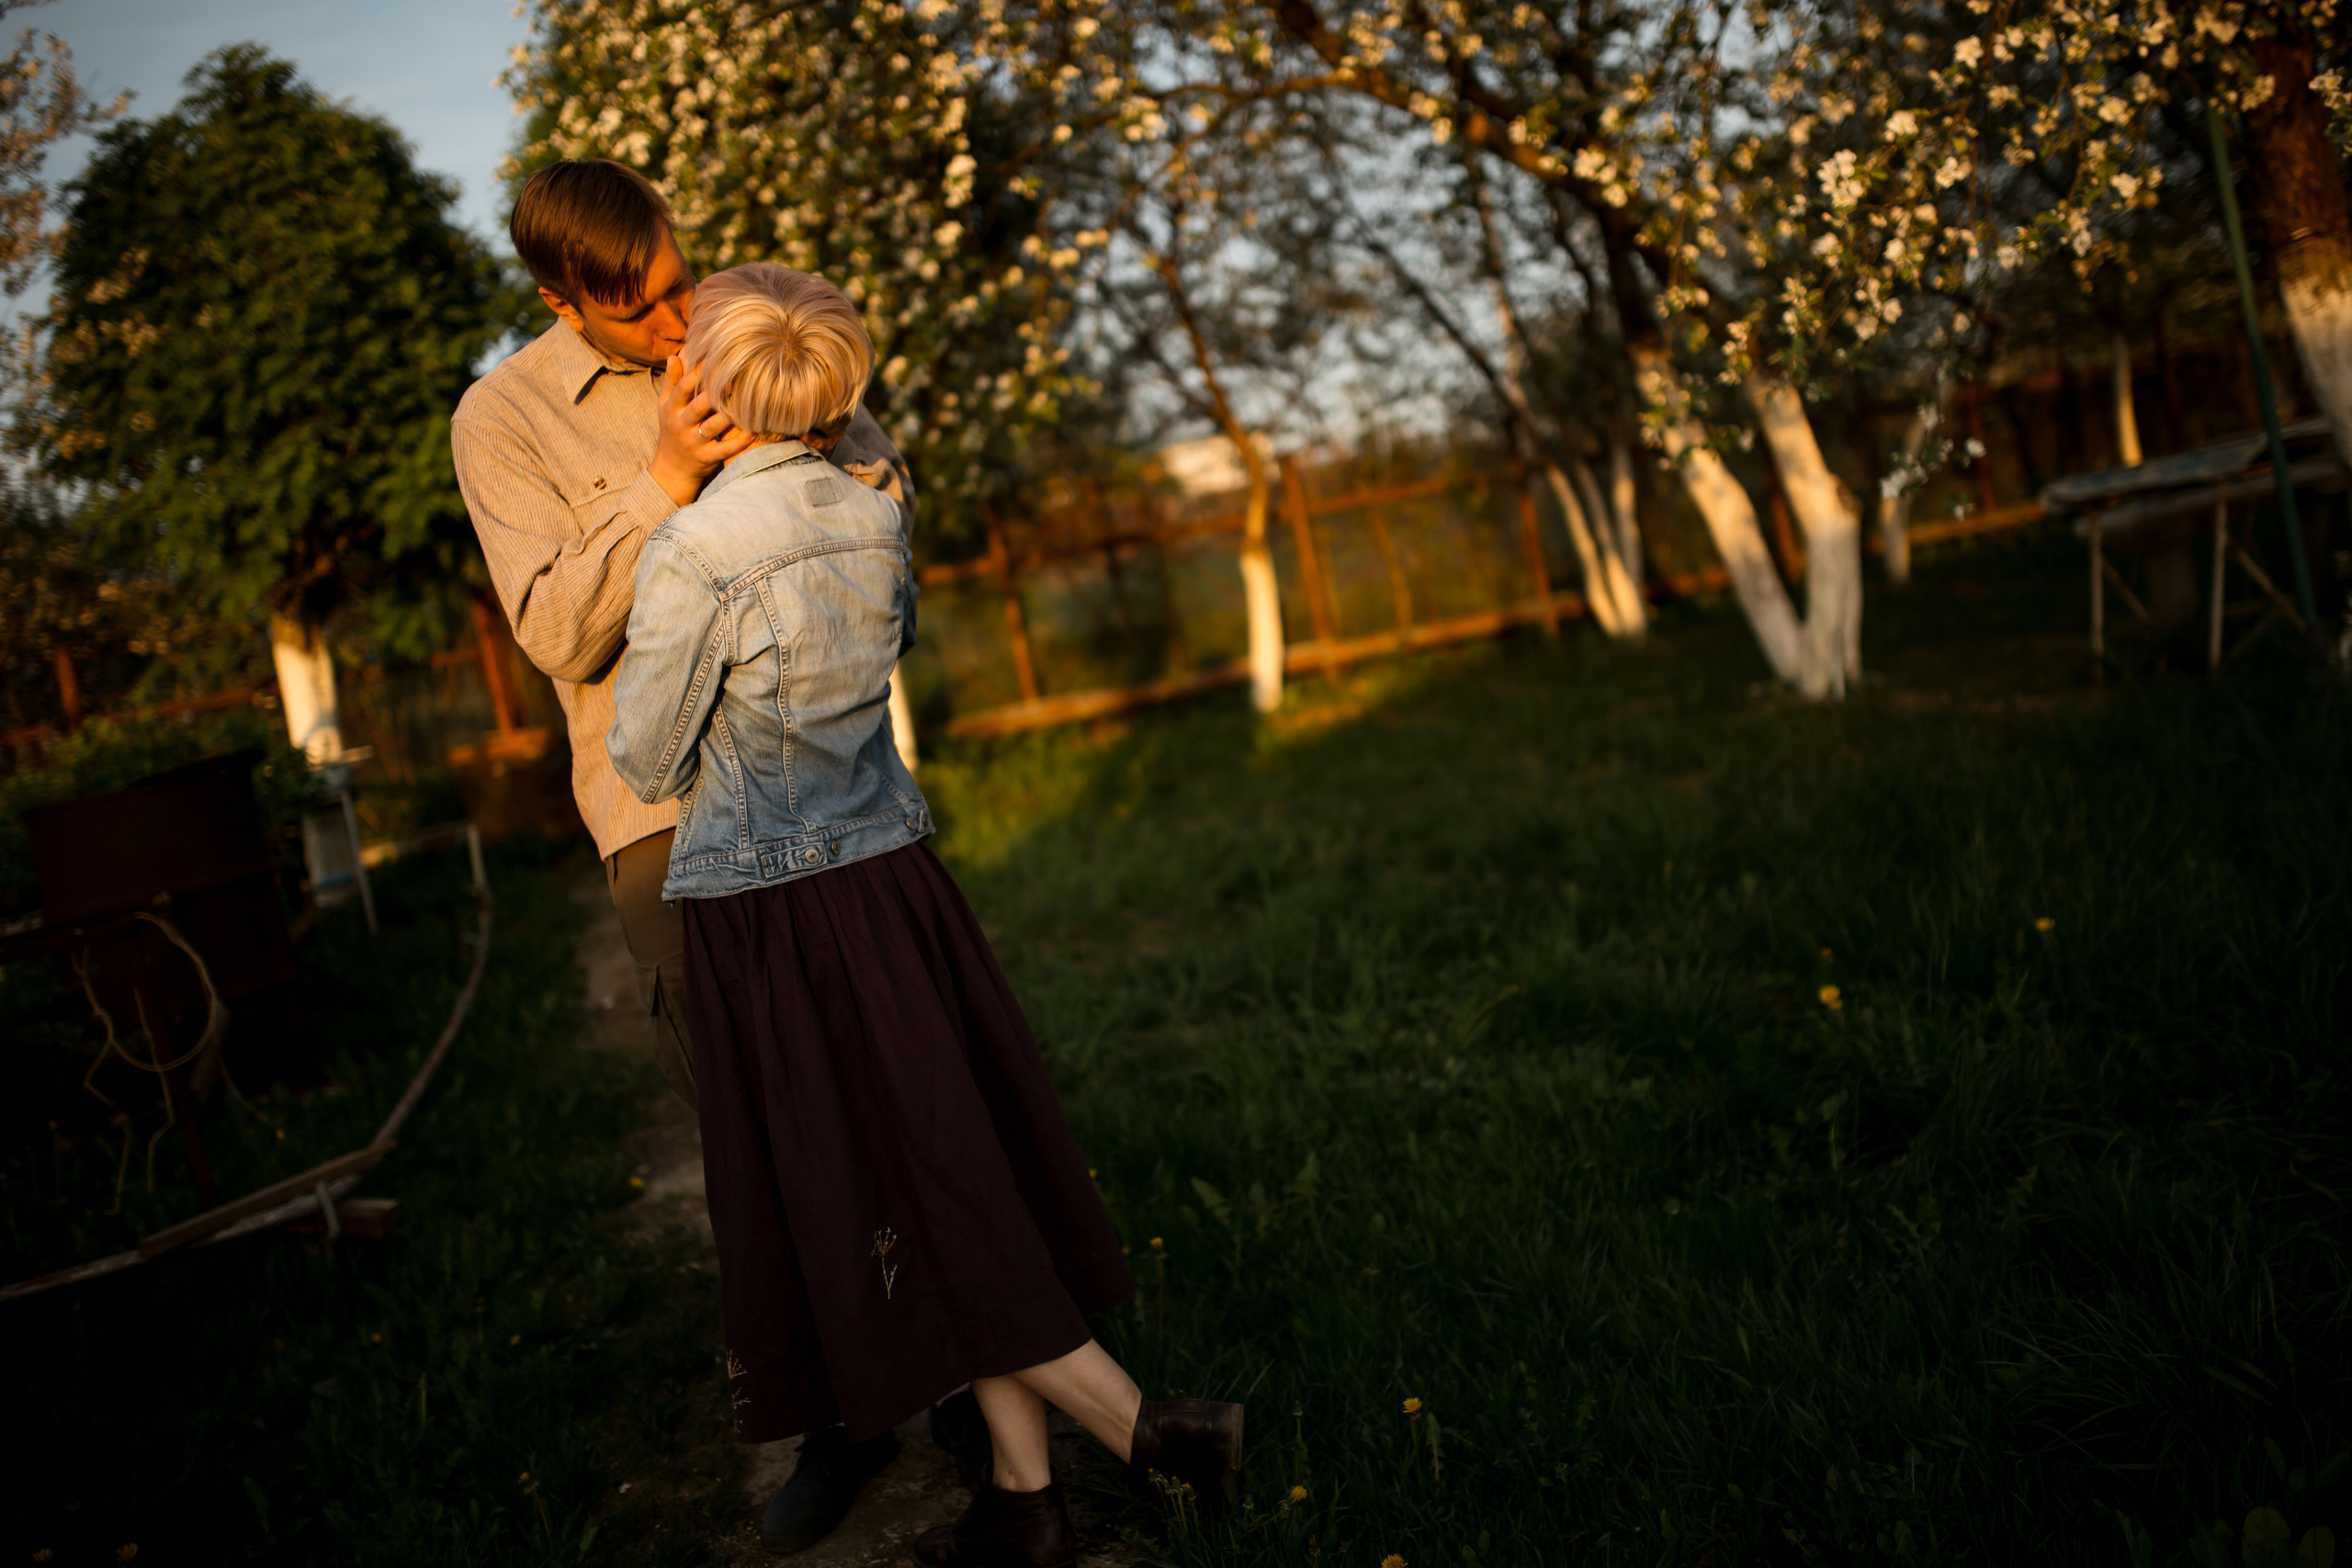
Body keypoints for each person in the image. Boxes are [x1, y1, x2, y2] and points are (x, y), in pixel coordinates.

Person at [605, 263, 1243, 1568]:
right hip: (893, 881)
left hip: (777, 914)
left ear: (715, 386)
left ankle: (1154, 1433)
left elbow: (646, 758)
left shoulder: (698, 548)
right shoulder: (875, 509)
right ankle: (1024, 1499)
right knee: (951, 1170)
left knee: (907, 1193)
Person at [450, 159, 924, 1553]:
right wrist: (666, 479)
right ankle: (841, 1416)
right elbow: (553, 633)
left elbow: (885, 492)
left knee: (899, 1085)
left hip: (832, 792)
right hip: (669, 827)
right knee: (757, 1127)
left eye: (681, 276)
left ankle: (962, 1359)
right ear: (562, 299)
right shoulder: (504, 417)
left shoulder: (736, 318)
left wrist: (820, 455)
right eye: (644, 304)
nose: (679, 316)